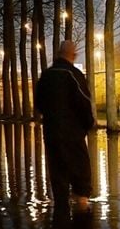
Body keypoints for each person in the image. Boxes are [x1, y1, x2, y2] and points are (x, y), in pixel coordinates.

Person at [34, 38, 96, 212]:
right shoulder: (73, 74)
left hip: (52, 134)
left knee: (58, 175)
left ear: (57, 54)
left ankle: (60, 220)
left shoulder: (46, 75)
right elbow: (84, 101)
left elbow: (38, 103)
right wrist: (88, 124)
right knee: (81, 176)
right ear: (73, 55)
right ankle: (82, 216)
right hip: (73, 134)